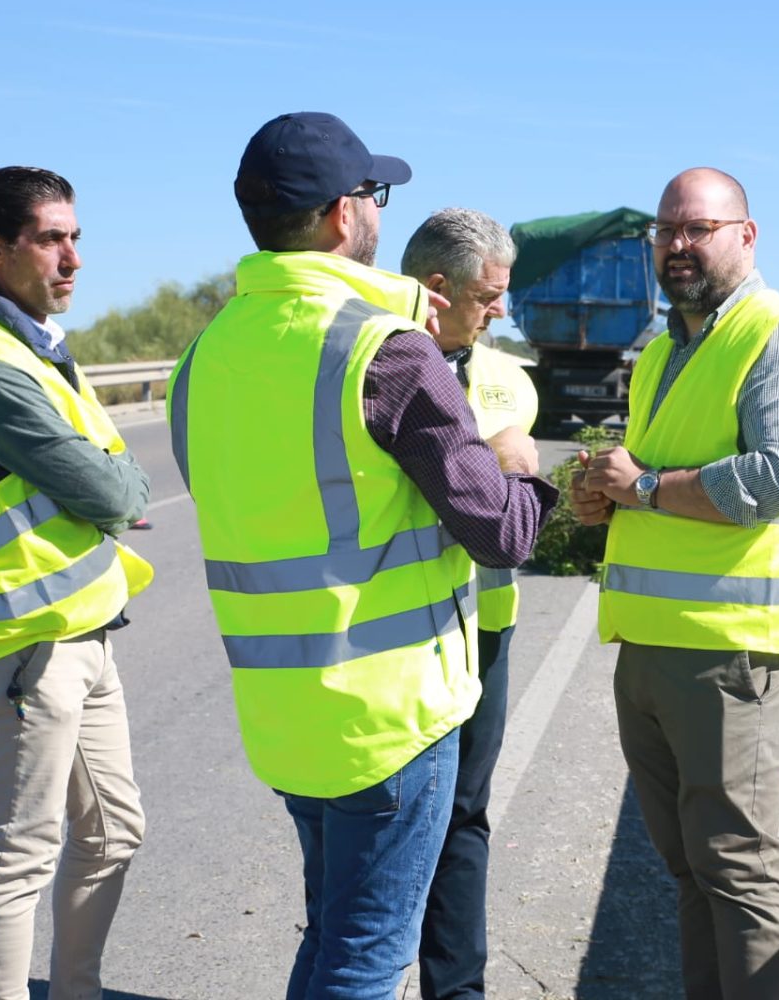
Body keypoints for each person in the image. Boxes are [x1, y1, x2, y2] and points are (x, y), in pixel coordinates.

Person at [167, 113, 556, 999]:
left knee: (334, 934)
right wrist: (524, 472)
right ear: (344, 216)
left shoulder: (206, 354)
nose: (378, 213)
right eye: (374, 195)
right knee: (369, 959)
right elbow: (502, 531)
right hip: (388, 715)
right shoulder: (384, 348)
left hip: (281, 711)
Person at [571, 167, 779, 999]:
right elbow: (651, 474)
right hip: (653, 648)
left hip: (734, 653)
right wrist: (604, 493)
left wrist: (645, 489)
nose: (678, 245)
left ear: (746, 235)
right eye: (666, 231)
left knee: (737, 870)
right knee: (691, 870)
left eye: (698, 228)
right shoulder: (661, 351)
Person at [0, 166, 154, 1000]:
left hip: (82, 632)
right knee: (20, 854)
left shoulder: (40, 354)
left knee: (115, 833)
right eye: (52, 238)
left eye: (76, 237)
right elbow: (114, 489)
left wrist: (116, 491)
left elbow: (113, 483)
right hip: (25, 647)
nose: (73, 257)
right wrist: (118, 494)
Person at [399, 207, 535, 1000]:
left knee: (465, 818)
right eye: (490, 295)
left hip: (485, 625)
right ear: (437, 287)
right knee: (385, 829)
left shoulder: (508, 378)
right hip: (400, 630)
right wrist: (490, 460)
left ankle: (457, 993)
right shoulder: (381, 359)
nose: (502, 311)